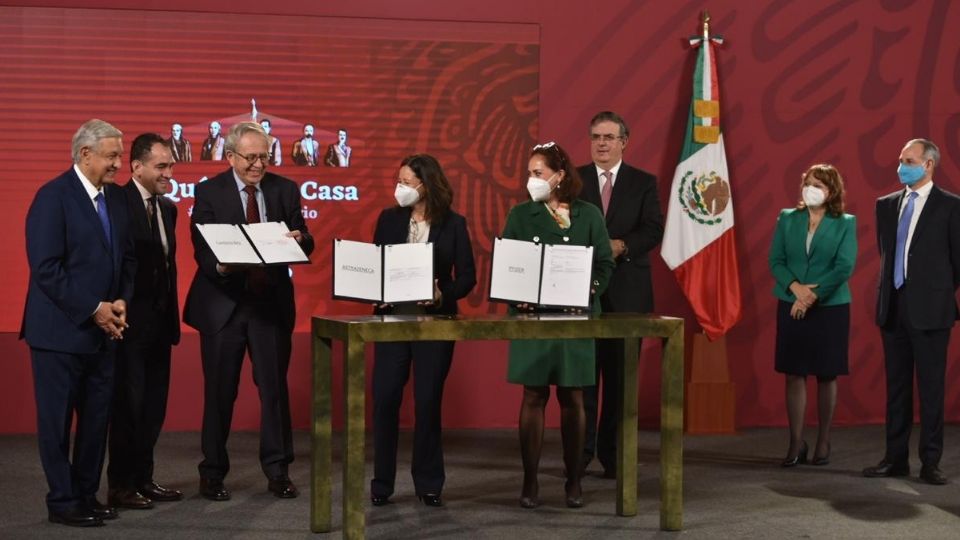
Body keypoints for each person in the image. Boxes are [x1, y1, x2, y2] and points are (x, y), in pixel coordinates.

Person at [184, 121, 315, 500]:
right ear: (230, 157)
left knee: (274, 392)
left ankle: (278, 471)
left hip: (269, 307)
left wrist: (301, 239)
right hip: (224, 306)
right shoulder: (208, 191)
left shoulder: (285, 189)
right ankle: (212, 473)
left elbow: (303, 237)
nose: (259, 164)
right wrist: (223, 265)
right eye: (251, 157)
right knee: (220, 393)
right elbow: (202, 247)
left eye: (265, 156)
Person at [21, 119, 136, 527]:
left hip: (105, 333)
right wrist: (95, 308)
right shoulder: (53, 197)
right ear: (84, 154)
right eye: (112, 156)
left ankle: (86, 494)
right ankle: (63, 501)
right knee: (56, 424)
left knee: (95, 421)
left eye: (119, 156)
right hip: (58, 334)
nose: (119, 164)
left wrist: (121, 300)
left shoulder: (117, 200)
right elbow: (46, 269)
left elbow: (127, 258)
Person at [502, 142, 615, 509]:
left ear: (559, 176)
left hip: (576, 319)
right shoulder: (521, 215)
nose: (530, 180)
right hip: (532, 320)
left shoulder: (589, 215)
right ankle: (530, 481)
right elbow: (509, 266)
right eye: (529, 173)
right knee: (533, 396)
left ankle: (574, 480)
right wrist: (515, 295)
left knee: (573, 397)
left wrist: (589, 291)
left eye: (538, 173)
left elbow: (604, 264)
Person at [369, 154, 476, 508]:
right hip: (392, 322)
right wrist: (378, 293)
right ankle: (382, 483)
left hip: (434, 323)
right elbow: (376, 265)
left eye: (407, 182)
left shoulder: (454, 224)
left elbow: (467, 277)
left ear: (426, 185)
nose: (399, 188)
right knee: (385, 400)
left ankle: (429, 483)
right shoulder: (388, 219)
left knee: (428, 402)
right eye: (397, 181)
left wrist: (443, 294)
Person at [863, 138, 960, 485]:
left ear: (929, 164)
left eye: (909, 160)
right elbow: (887, 253)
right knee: (897, 387)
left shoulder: (951, 206)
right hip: (894, 307)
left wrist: (934, 293)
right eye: (901, 159)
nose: (901, 165)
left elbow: (957, 262)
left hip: (932, 311)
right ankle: (895, 458)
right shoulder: (886, 205)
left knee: (931, 388)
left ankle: (930, 462)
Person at [576, 111, 663, 478]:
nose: (602, 144)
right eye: (596, 137)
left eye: (609, 137)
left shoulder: (643, 182)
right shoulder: (574, 180)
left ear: (624, 141)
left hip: (628, 293)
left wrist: (623, 245)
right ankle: (580, 455)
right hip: (583, 292)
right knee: (583, 379)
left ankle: (613, 456)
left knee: (619, 380)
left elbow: (653, 229)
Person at [106, 133, 183, 509]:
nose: (169, 172)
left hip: (161, 323)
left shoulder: (169, 209)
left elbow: (169, 269)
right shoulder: (116, 201)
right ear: (136, 167)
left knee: (154, 406)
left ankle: (144, 479)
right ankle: (120, 485)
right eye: (161, 166)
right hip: (127, 324)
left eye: (171, 165)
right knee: (128, 407)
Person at [768, 164, 856, 467]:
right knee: (794, 372)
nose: (811, 188)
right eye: (808, 182)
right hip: (790, 301)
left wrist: (811, 297)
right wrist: (796, 290)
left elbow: (844, 267)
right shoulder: (787, 218)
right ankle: (795, 442)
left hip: (830, 307)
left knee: (826, 374)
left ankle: (823, 440)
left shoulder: (845, 223)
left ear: (830, 191)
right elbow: (776, 261)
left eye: (818, 184)